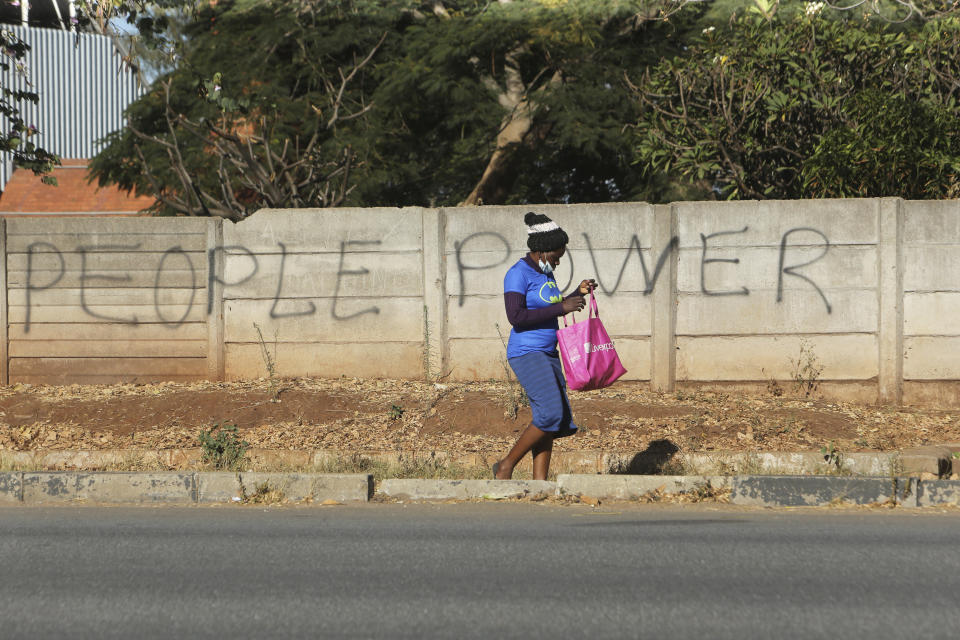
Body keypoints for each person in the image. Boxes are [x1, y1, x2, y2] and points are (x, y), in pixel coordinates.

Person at [493, 212, 597, 481]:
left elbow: (549, 308)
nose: (558, 261)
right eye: (555, 256)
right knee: (551, 413)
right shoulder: (518, 274)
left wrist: (577, 293)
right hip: (527, 353)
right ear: (540, 251)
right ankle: (506, 466)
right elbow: (515, 316)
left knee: (549, 419)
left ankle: (540, 483)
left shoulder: (543, 273)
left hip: (549, 352)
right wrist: (562, 307)